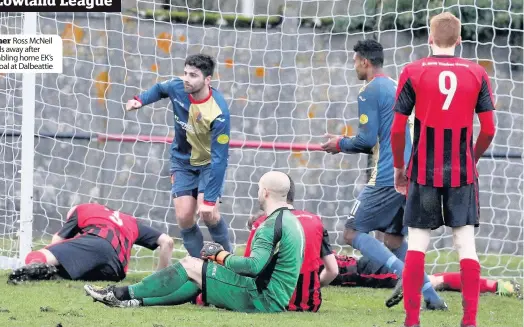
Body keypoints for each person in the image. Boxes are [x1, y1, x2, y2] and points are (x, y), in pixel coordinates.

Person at [321, 38, 446, 310]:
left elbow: (366, 140)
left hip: (390, 175)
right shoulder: (398, 86)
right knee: (393, 240)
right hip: (414, 174)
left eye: (355, 61)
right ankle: (434, 299)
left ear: (365, 62)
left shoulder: (370, 90)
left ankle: (407, 277)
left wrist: (339, 144)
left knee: (352, 233)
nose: (353, 65)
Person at [390, 12, 496, 327]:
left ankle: (412, 321)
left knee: (418, 243)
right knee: (465, 245)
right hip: (462, 172)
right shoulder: (477, 73)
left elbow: (397, 130)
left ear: (430, 38)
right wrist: (472, 158)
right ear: (460, 40)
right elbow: (489, 129)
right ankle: (469, 321)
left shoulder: (412, 71)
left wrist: (399, 167)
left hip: (423, 170)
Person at [84, 171, 306, 313]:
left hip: (260, 299)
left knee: (191, 265)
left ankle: (120, 293)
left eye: (259, 188)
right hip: (273, 298)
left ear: (265, 192)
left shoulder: (270, 225)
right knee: (198, 277)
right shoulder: (294, 223)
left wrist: (219, 255)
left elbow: (253, 266)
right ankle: (134, 301)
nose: (258, 192)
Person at [125, 53, 232, 257]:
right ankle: (198, 265)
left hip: (209, 164)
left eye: (193, 75)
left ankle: (231, 262)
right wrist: (140, 100)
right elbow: (159, 89)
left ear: (207, 80)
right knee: (184, 217)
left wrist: (209, 200)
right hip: (182, 162)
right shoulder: (177, 88)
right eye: (185, 73)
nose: (186, 79)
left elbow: (219, 159)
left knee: (209, 214)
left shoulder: (219, 113)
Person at [8, 203, 174, 284]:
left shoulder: (81, 209)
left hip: (96, 242)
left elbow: (57, 241)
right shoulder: (131, 221)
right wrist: (157, 281)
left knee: (38, 256)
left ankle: (33, 269)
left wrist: (46, 254)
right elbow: (167, 242)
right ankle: (51, 273)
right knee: (63, 271)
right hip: (116, 270)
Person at [244, 174, 338, 312]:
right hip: (310, 304)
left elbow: (248, 271)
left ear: (265, 192)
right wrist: (313, 287)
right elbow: (333, 271)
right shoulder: (315, 221)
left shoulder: (263, 223)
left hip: (272, 301)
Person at [326, 253, 522, 301]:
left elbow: (328, 272)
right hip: (365, 265)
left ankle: (496, 285)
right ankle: (495, 285)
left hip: (367, 270)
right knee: (432, 280)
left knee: (432, 281)